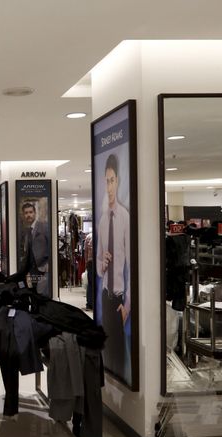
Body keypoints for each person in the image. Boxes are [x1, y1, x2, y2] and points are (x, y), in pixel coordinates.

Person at [96, 153, 130, 375]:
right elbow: (98, 267)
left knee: (119, 358)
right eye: (106, 181)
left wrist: (127, 305)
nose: (109, 187)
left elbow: (133, 267)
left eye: (112, 180)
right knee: (106, 354)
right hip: (105, 297)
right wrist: (103, 263)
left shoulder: (125, 218)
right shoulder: (101, 219)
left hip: (119, 300)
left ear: (118, 181)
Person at [19, 201, 50, 296]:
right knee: (34, 292)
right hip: (32, 269)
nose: (28, 215)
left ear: (35, 213)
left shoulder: (44, 226)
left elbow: (51, 245)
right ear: (23, 215)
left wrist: (49, 263)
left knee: (43, 293)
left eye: (30, 212)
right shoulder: (26, 230)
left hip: (43, 267)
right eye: (26, 213)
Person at [84, 232, 94, 311]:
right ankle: (96, 304)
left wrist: (86, 263)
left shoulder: (88, 237)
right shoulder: (100, 235)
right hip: (98, 262)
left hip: (90, 262)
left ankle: (89, 304)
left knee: (90, 283)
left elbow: (85, 252)